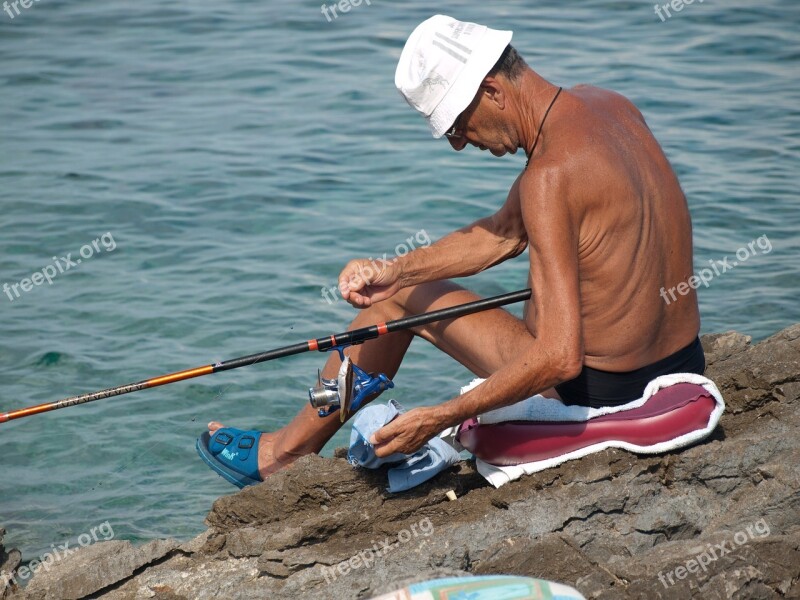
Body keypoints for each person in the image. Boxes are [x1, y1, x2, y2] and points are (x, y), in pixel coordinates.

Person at [197, 15, 704, 486]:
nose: (460, 144)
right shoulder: (608, 105)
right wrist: (397, 270)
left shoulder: (548, 178)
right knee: (401, 290)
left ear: (491, 90)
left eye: (458, 124)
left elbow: (560, 357)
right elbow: (505, 232)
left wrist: (440, 415)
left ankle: (282, 455)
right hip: (681, 362)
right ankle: (293, 441)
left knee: (394, 308)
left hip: (600, 390)